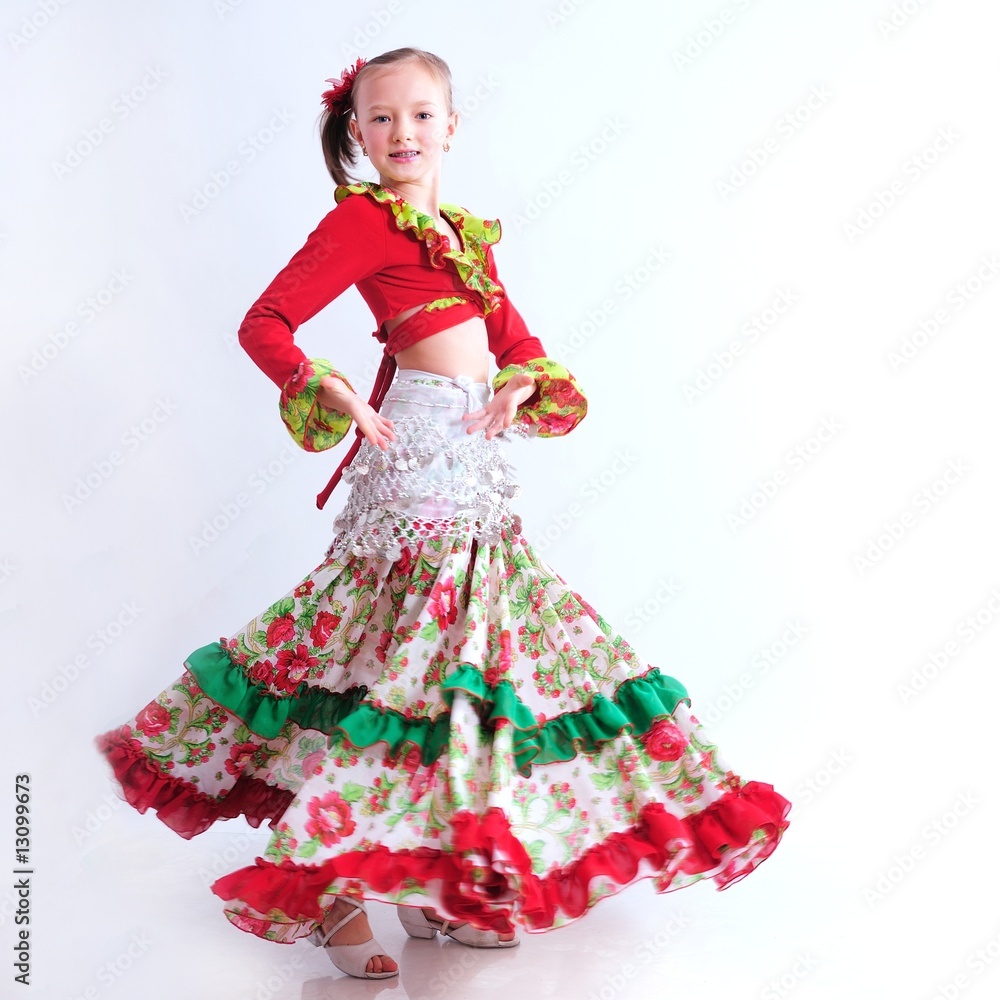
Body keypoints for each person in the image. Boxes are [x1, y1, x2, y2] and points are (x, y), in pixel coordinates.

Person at [94, 46, 791, 981]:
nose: (403, 133)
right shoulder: (361, 221)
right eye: (382, 118)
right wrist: (333, 389)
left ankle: (422, 878)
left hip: (477, 464)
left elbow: (522, 344)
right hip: (414, 451)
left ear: (452, 127)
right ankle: (336, 893)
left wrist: (519, 383)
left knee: (449, 672)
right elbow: (266, 322)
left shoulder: (466, 237)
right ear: (357, 132)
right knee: (400, 656)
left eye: (422, 115)